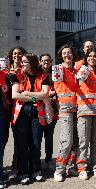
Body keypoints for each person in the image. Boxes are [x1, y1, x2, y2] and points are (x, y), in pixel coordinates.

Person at [11, 53, 49, 184]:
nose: (21, 64)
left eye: (24, 62)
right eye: (21, 62)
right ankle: (23, 173)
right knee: (22, 145)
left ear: (32, 63)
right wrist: (33, 98)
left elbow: (45, 94)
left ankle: (36, 172)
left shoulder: (43, 76)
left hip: (36, 113)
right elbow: (15, 95)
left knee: (36, 143)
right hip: (21, 113)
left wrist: (26, 94)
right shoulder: (18, 76)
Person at [75, 48, 96, 180]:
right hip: (85, 110)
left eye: (94, 56)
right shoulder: (83, 70)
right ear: (86, 58)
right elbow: (79, 80)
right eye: (89, 56)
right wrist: (83, 70)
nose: (92, 58)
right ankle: (82, 167)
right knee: (83, 141)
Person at [53, 45, 78, 182]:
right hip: (65, 109)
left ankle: (71, 166)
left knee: (75, 141)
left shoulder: (76, 70)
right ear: (61, 56)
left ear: (73, 55)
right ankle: (59, 169)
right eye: (64, 53)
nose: (67, 55)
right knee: (66, 140)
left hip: (77, 109)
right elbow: (57, 82)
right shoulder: (58, 69)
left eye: (69, 52)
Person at [5, 47, 27, 181]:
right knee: (4, 139)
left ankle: (16, 167)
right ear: (11, 55)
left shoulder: (25, 71)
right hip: (4, 109)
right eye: (15, 53)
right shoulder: (6, 70)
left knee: (19, 141)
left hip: (19, 109)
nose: (17, 56)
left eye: (19, 53)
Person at [39, 54, 58, 171]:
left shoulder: (55, 74)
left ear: (51, 62)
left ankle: (49, 159)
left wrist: (53, 96)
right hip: (39, 109)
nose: (46, 62)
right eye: (44, 60)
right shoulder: (36, 74)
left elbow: (59, 89)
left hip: (52, 109)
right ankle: (36, 160)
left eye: (48, 60)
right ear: (40, 62)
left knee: (49, 136)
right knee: (37, 136)